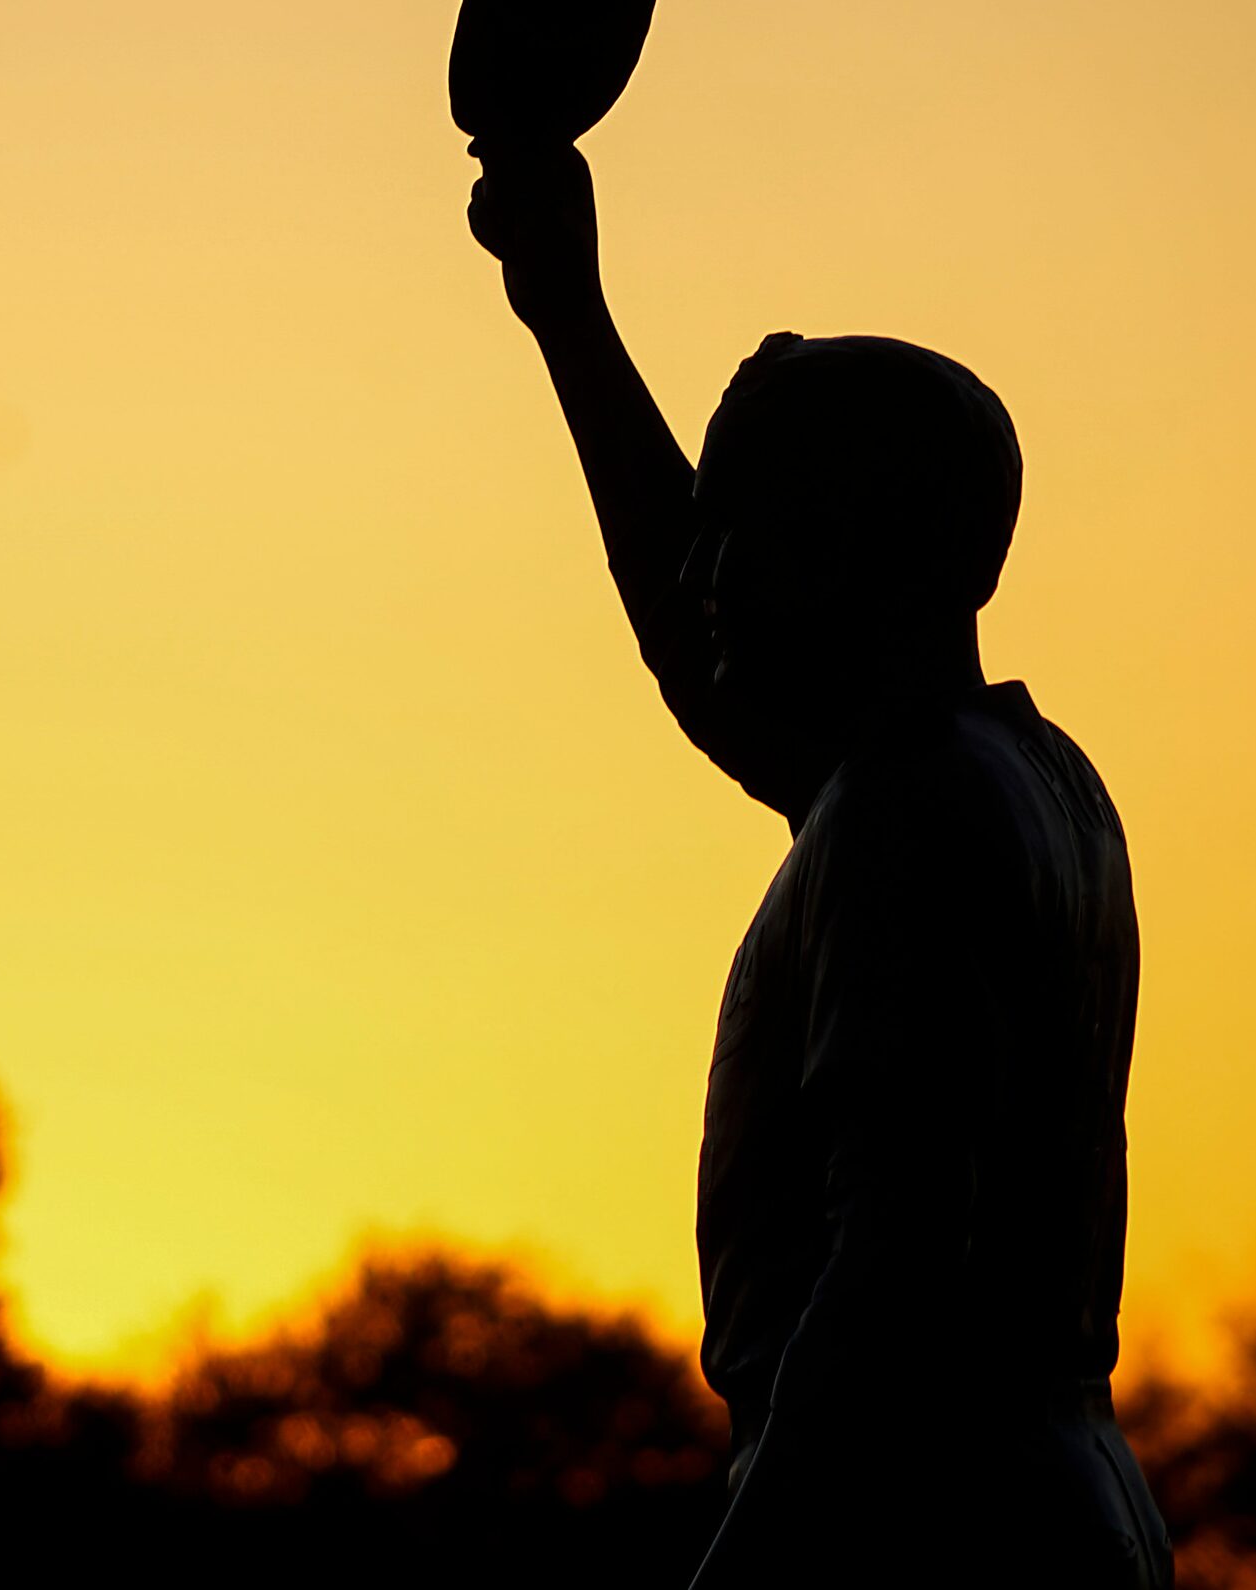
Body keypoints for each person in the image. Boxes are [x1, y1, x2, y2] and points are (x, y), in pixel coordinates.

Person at [465, 142, 1174, 1587]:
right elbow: (703, 653)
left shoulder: (904, 809)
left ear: (862, 556)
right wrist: (567, 313)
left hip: (921, 1527)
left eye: (750, 531)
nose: (708, 569)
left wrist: (743, 1576)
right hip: (1050, 1497)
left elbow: (891, 1268)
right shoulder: (1012, 776)